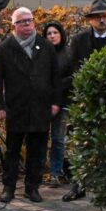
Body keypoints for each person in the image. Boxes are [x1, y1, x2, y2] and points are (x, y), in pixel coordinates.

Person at [62, 0, 106, 202]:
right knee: (81, 144)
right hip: (85, 100)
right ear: (90, 20)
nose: (102, 19)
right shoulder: (79, 41)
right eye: (97, 16)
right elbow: (73, 66)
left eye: (105, 16)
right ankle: (78, 185)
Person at [0, 8, 61, 204]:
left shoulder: (46, 47)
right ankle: (9, 187)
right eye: (23, 22)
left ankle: (32, 187)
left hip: (41, 108)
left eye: (30, 21)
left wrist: (56, 102)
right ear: (14, 25)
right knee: (12, 150)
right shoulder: (3, 49)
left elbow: (56, 77)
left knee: (37, 150)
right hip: (16, 108)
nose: (28, 25)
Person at [42, 21, 69, 188]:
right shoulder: (42, 53)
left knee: (58, 139)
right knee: (40, 138)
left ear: (61, 34)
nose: (52, 36)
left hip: (63, 102)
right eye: (49, 33)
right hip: (43, 103)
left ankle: (56, 172)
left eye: (55, 32)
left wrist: (56, 85)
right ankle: (38, 171)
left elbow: (73, 76)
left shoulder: (69, 53)